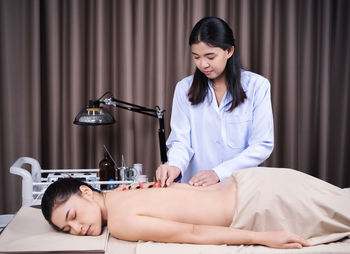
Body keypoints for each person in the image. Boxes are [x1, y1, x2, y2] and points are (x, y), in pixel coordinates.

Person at [41, 167, 350, 249]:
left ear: (86, 192)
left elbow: (191, 232)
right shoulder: (126, 190)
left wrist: (263, 237)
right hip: (256, 183)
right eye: (69, 229)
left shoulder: (121, 221)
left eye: (73, 217)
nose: (79, 229)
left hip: (261, 203)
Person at [156, 17, 274, 187]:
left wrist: (219, 173)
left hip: (239, 187)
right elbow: (180, 141)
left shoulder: (257, 86)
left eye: (210, 57)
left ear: (229, 51)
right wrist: (174, 165)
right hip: (196, 188)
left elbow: (262, 145)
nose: (203, 64)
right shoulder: (184, 89)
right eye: (196, 57)